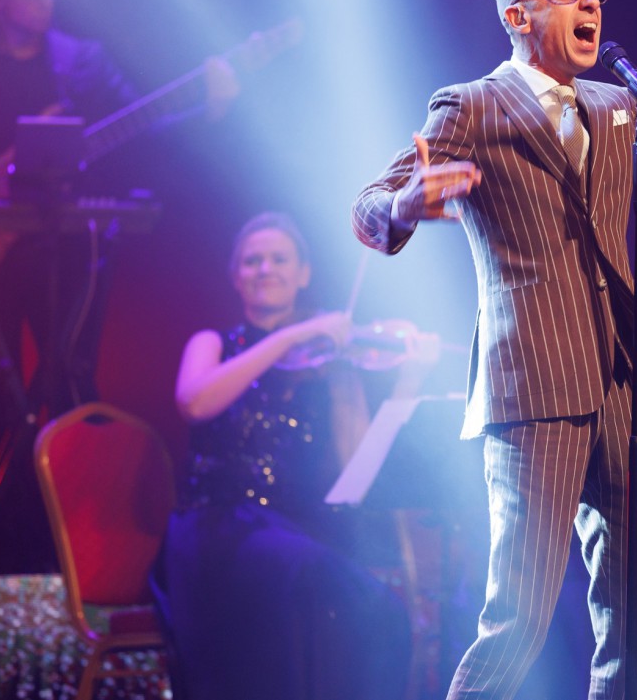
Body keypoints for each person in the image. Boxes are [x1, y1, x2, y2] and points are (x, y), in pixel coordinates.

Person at [352, 0, 637, 699]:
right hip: (532, 387)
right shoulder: (472, 104)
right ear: (517, 15)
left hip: (622, 387)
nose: (591, 2)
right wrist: (408, 202)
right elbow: (369, 208)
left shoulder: (617, 106)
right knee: (519, 619)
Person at [0, 0, 237, 572]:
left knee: (69, 382)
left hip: (64, 251)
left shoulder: (81, 62)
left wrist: (208, 109)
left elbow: (142, 129)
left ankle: (73, 548)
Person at [151, 211, 432, 700]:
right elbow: (194, 402)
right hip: (218, 529)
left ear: (303, 274)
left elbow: (356, 467)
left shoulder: (327, 360)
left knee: (377, 609)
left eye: (279, 259)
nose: (265, 269)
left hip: (298, 529)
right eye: (252, 260)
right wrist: (294, 335)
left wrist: (408, 379)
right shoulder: (212, 343)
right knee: (307, 580)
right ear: (235, 275)